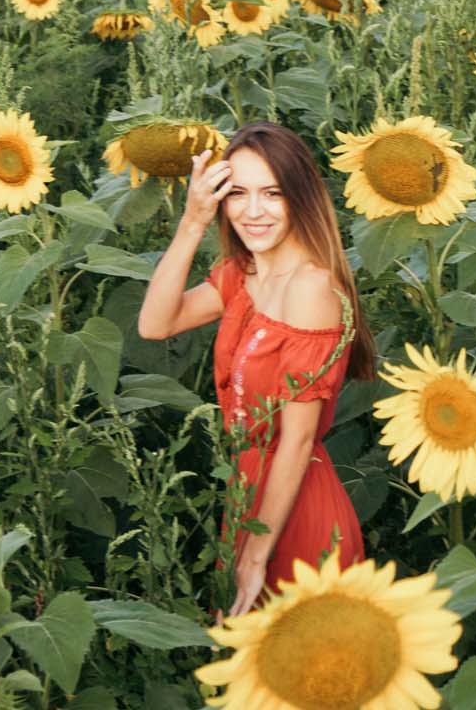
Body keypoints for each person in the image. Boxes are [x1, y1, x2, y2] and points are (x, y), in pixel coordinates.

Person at [135, 121, 377, 616]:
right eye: (237, 193)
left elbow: (297, 439)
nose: (253, 211)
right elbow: (155, 324)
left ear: (300, 198)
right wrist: (192, 223)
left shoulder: (310, 288)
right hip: (247, 497)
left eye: (272, 193)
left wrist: (254, 556)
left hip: (297, 511)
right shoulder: (241, 276)